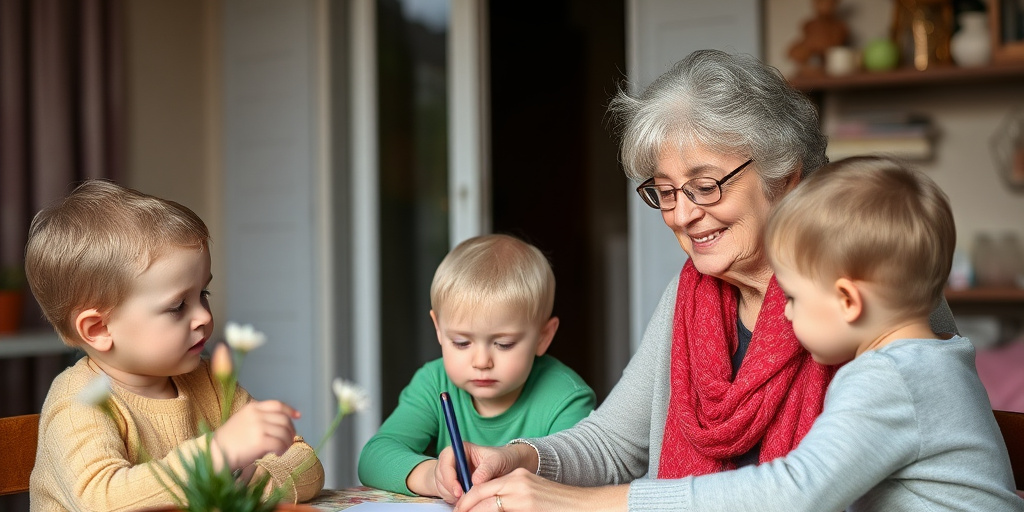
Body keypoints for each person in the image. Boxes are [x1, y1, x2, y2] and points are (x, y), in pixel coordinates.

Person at [433, 50, 959, 511]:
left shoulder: (877, 292)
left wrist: (577, 505)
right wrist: (517, 458)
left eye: (705, 186)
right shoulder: (691, 294)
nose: (682, 214)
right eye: (665, 191)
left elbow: (799, 493)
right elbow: (615, 444)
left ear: (786, 175)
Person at [26, 180, 324, 511]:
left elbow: (305, 463)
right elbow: (102, 501)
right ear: (98, 328)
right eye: (178, 306)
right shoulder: (78, 401)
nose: (203, 317)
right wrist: (216, 456)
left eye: (203, 295)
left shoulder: (208, 380)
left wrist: (243, 487)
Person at [357, 234, 596, 497]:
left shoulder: (567, 398)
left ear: (543, 337)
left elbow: (581, 476)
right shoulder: (433, 383)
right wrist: (433, 477)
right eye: (461, 342)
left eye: (504, 344)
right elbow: (374, 457)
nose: (482, 362)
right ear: (438, 329)